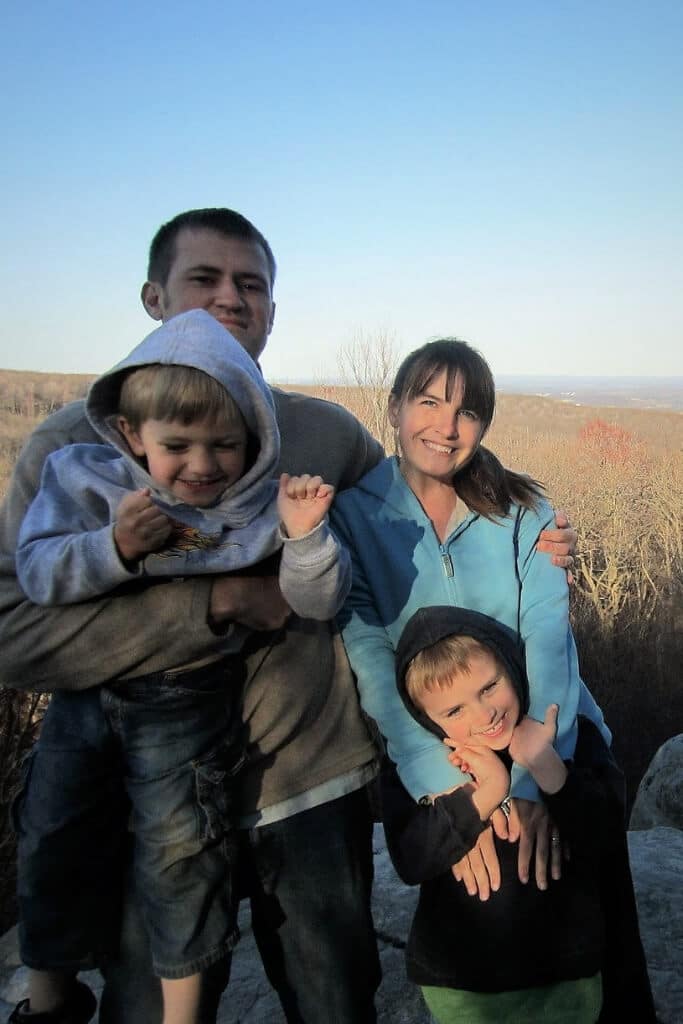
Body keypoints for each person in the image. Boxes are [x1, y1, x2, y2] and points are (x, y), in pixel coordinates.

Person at [0, 209, 577, 1024]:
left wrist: (530, 529)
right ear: (153, 296)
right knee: (150, 1000)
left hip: (310, 780)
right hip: (147, 787)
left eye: (251, 284)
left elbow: (412, 512)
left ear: (271, 308)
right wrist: (216, 605)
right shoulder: (74, 451)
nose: (230, 298)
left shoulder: (323, 433)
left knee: (334, 1000)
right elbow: (12, 630)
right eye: (204, 279)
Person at [10, 307, 351, 1024]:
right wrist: (115, 547)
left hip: (184, 703)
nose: (202, 466)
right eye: (177, 445)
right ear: (132, 435)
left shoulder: (257, 502)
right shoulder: (85, 478)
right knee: (49, 832)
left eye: (224, 445)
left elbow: (311, 601)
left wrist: (305, 539)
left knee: (178, 856)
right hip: (84, 698)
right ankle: (47, 999)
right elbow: (37, 575)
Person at [331, 338, 611, 891]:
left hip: (545, 741)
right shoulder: (352, 518)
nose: (447, 426)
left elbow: (549, 640)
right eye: (429, 402)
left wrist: (534, 784)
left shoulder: (527, 512)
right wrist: (451, 796)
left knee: (585, 926)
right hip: (441, 753)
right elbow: (371, 660)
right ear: (393, 408)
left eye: (468, 411)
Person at [382, 604, 655, 1023]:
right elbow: (411, 857)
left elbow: (605, 833)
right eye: (453, 711)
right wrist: (485, 793)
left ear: (512, 665)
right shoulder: (424, 770)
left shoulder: (565, 737)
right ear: (424, 718)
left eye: (489, 687)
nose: (484, 715)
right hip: (463, 984)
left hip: (566, 972)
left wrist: (547, 768)